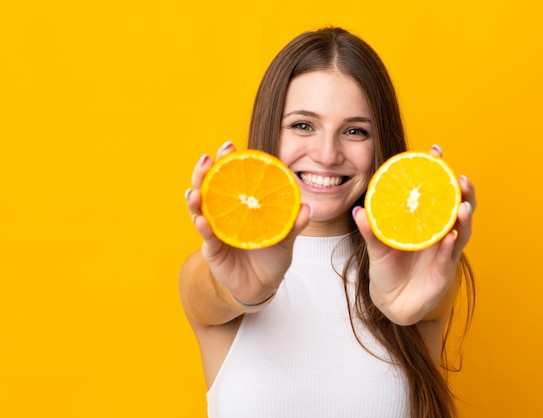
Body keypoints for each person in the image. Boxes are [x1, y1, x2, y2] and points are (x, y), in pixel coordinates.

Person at [180, 27, 477, 418]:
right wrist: (246, 292)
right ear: (271, 128)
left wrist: (412, 299)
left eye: (355, 131)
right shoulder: (213, 272)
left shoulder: (418, 269)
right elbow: (215, 292)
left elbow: (423, 299)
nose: (326, 154)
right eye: (303, 125)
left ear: (380, 146)